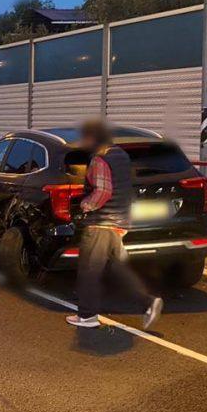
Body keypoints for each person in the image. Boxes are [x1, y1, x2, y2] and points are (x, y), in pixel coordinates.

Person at [66, 119, 163, 330]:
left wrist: (85, 205)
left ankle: (87, 316)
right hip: (119, 221)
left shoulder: (100, 159)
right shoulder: (121, 155)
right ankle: (148, 302)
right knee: (118, 269)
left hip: (100, 224)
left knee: (89, 271)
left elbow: (103, 191)